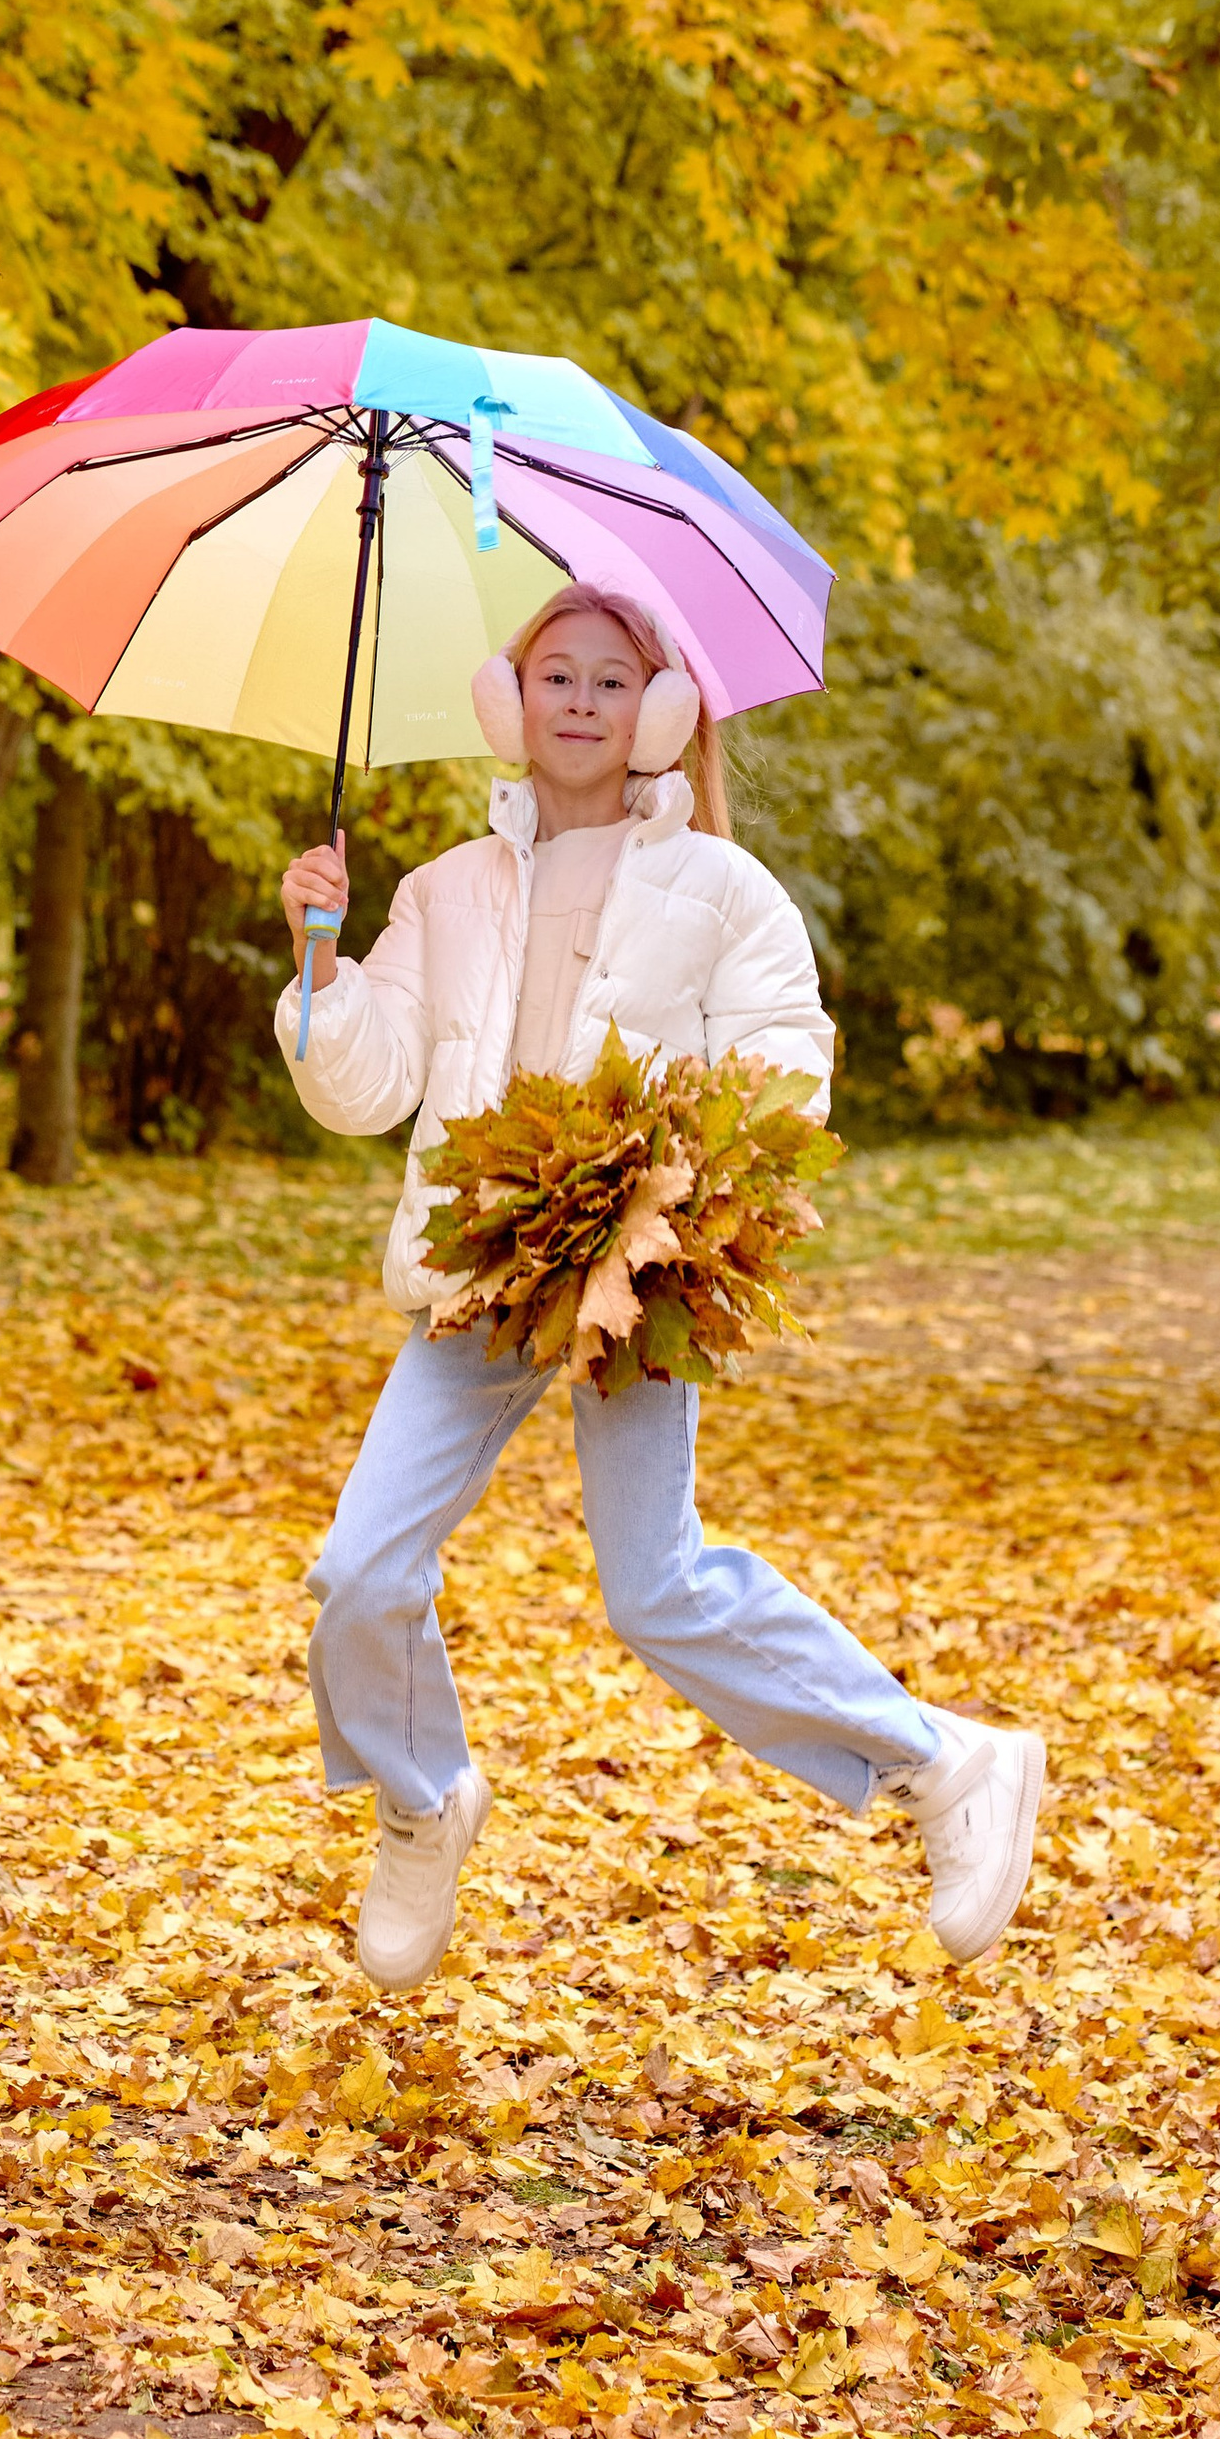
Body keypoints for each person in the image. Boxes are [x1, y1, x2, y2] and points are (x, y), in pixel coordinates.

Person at [277, 580, 1041, 1996]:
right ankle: (423, 1791)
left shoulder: (723, 893)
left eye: (610, 679)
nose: (578, 700)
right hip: (478, 1272)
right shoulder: (443, 890)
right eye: (553, 674)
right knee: (359, 1568)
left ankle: (949, 1763)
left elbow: (784, 1065)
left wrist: (667, 1182)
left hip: (635, 1267)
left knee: (657, 1586)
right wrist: (321, 966)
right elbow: (367, 1081)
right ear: (508, 702)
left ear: (663, 711)